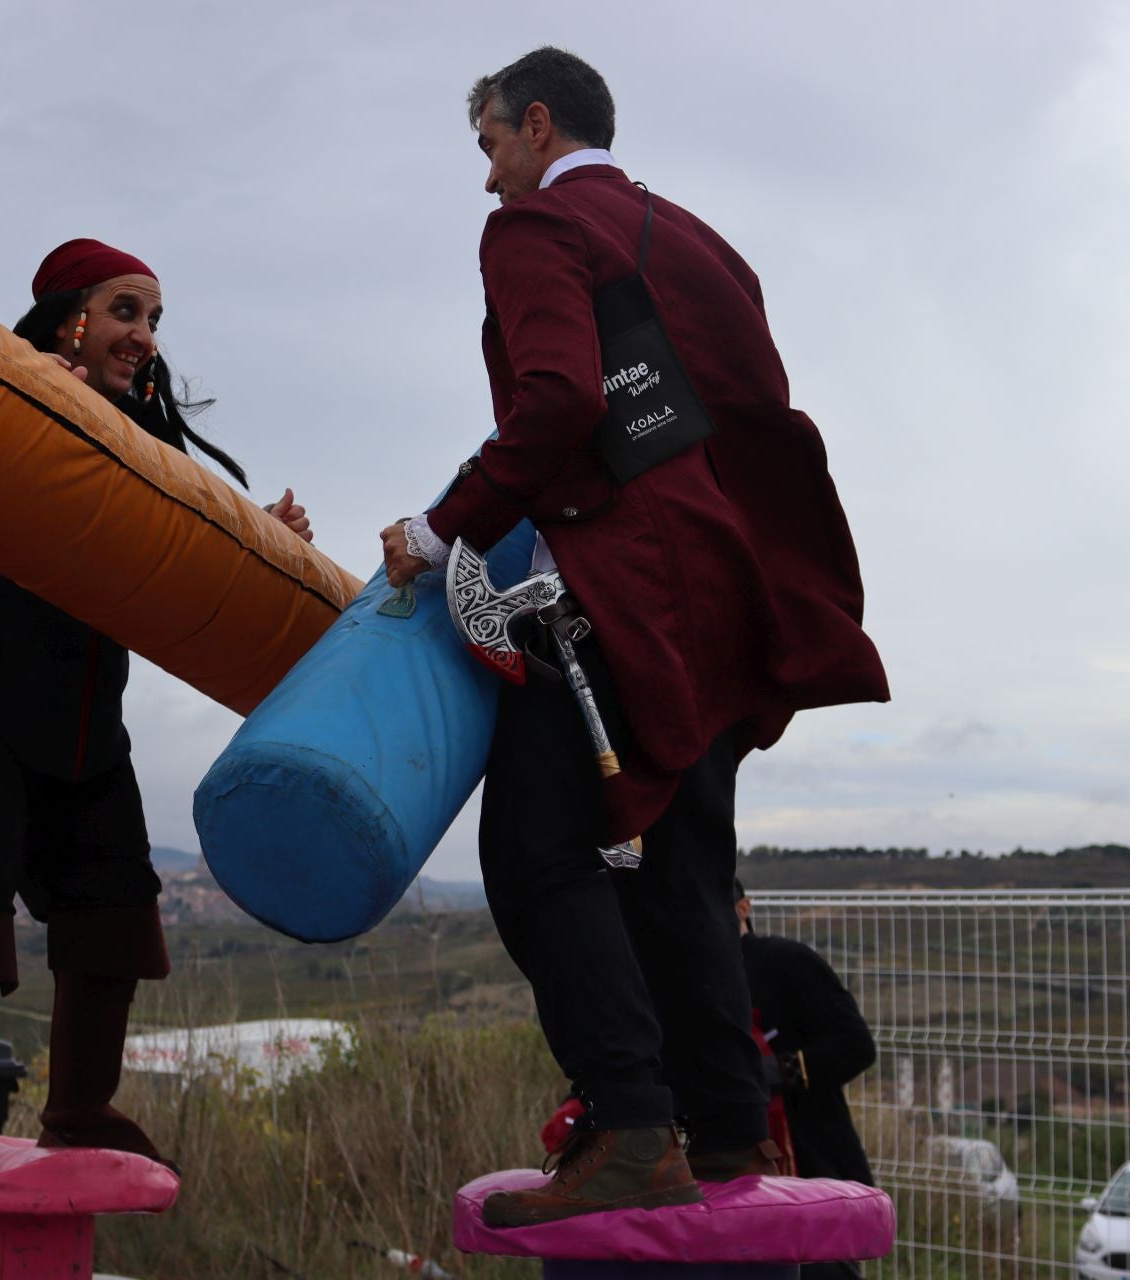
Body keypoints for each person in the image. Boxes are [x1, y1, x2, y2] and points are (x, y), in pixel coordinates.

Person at [380, 48, 889, 1226]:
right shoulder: (702, 239)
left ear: (540, 124)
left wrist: (438, 522)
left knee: (534, 852)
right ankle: (720, 1126)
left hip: (614, 586)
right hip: (729, 593)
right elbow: (754, 408)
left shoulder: (533, 234)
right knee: (684, 866)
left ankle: (629, 1123)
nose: (489, 179)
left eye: (491, 146)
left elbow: (560, 397)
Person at [0, 237, 312, 1182]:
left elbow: (190, 554)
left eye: (153, 320)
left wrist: (264, 544)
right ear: (68, 315)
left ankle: (77, 1110)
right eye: (126, 312)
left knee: (116, 900)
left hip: (82, 715)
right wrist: (21, 393)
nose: (143, 336)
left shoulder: (150, 444)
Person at [735, 882, 876, 1279]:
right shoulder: (684, 982)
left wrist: (777, 1072)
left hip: (814, 1174)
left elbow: (855, 1046)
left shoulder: (786, 962)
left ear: (742, 908)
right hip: (732, 1189)